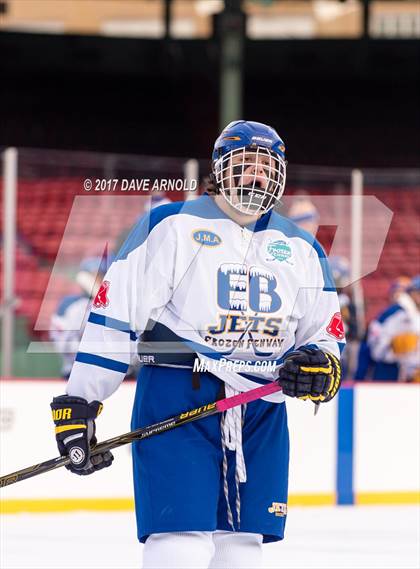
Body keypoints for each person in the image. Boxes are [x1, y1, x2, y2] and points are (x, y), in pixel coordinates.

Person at [50, 120, 344, 569]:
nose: (256, 177)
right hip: (177, 394)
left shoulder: (303, 248)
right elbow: (114, 319)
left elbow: (324, 334)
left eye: (267, 168)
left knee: (243, 546)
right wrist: (81, 400)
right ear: (220, 168)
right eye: (246, 164)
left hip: (261, 405)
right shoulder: (171, 225)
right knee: (179, 539)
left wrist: (322, 365)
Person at [50, 256, 110, 379]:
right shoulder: (70, 305)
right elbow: (65, 345)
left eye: (101, 275)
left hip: (114, 374)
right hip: (76, 373)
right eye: (93, 275)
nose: (97, 279)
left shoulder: (116, 305)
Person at [366, 275, 419, 381]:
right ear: (413, 293)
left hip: (410, 371)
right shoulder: (398, 311)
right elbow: (375, 336)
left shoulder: (413, 312)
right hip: (389, 368)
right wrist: (390, 349)